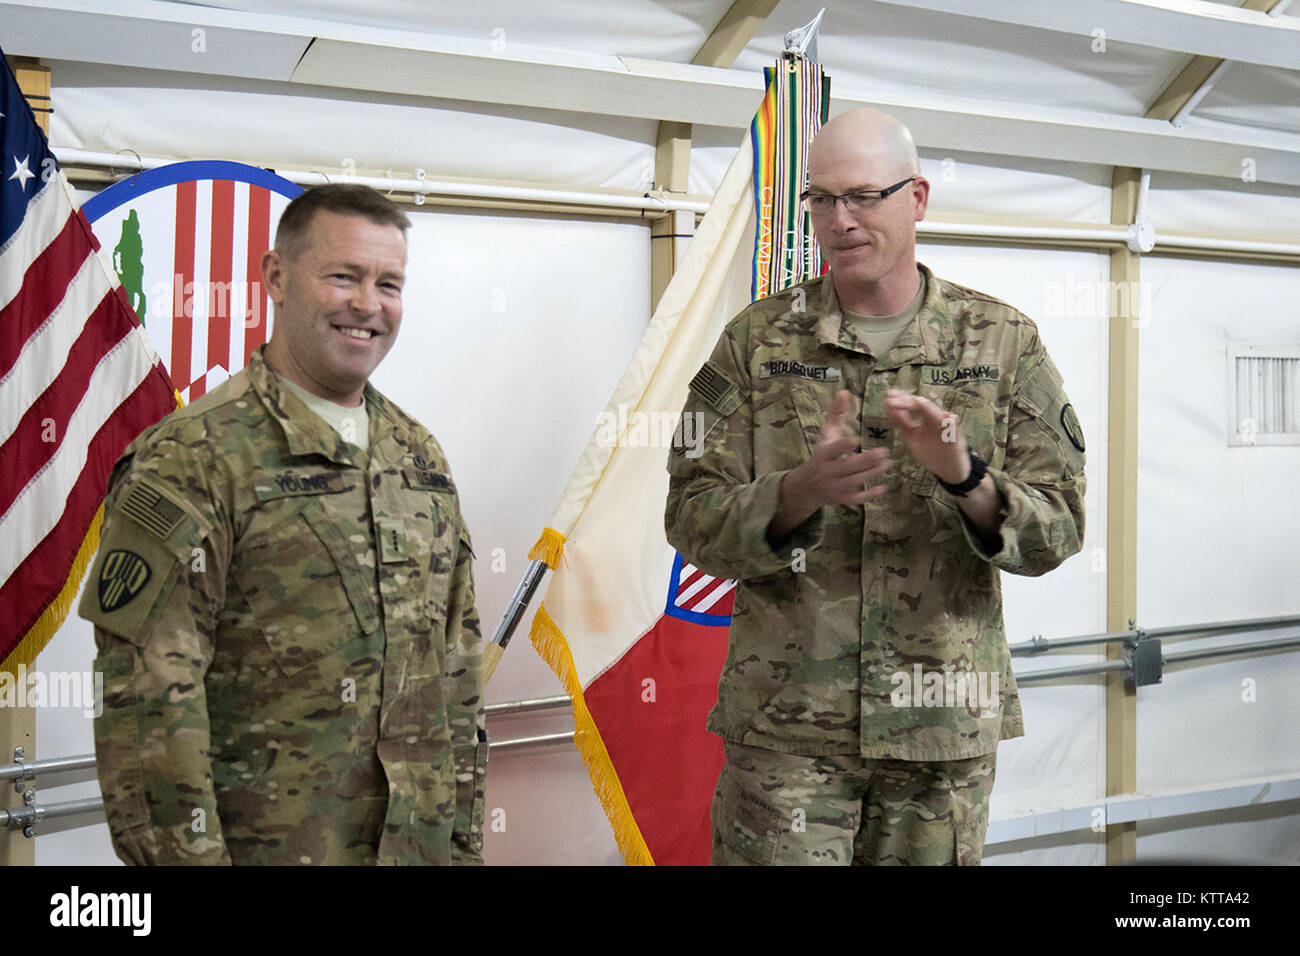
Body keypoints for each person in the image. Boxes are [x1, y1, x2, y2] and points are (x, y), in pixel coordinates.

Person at [665, 108, 1086, 865]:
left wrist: (967, 478)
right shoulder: (756, 341)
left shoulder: (1002, 342)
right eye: (821, 200)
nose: (840, 220)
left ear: (917, 197)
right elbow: (690, 517)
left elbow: (1058, 529)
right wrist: (798, 491)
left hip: (940, 733)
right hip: (788, 730)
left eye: (862, 195)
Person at [80, 184, 486, 865]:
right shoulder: (192, 459)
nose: (367, 304)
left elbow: (459, 678)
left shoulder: (418, 457)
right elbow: (148, 712)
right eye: (342, 276)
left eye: (388, 283)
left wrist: (467, 849)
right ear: (276, 277)